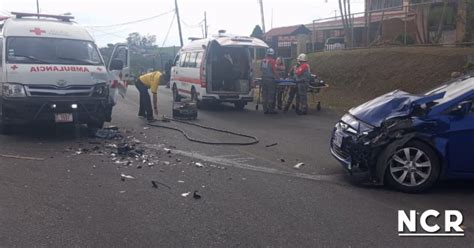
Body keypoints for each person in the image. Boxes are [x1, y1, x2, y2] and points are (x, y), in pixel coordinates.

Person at [260, 48, 279, 114]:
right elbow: (274, 70)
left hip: (263, 79)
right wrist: (278, 77)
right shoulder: (272, 61)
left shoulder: (263, 60)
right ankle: (271, 109)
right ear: (272, 54)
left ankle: (265, 109)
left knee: (264, 94)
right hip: (270, 80)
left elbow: (261, 69)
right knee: (271, 94)